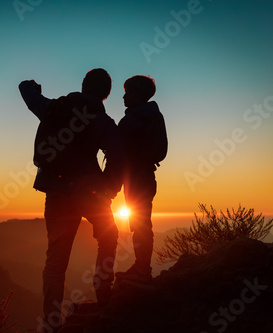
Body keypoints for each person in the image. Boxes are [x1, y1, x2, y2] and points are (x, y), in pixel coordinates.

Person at [18, 68, 123, 332]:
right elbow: (118, 156)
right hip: (88, 194)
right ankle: (103, 290)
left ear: (84, 85)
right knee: (108, 236)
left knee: (56, 260)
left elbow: (27, 93)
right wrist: (108, 189)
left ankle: (51, 323)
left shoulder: (54, 108)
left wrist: (31, 86)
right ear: (106, 93)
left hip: (56, 192)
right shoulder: (102, 121)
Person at [115, 75, 167, 283]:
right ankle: (142, 267)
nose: (123, 97)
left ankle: (142, 268)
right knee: (142, 222)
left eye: (127, 92)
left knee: (140, 224)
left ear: (136, 94)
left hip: (135, 178)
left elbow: (117, 152)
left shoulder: (132, 120)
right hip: (147, 176)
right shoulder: (155, 116)